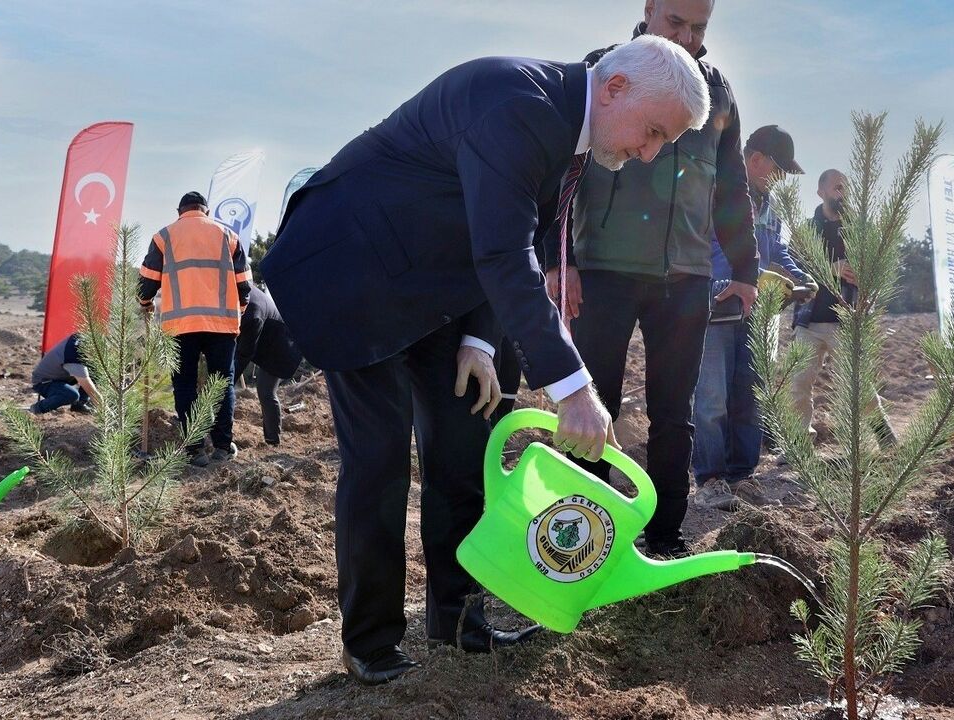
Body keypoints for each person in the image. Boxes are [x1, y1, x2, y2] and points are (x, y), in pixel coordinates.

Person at [260, 37, 710, 684]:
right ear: (615, 89)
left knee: (462, 446)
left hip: (437, 287)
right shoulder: (516, 103)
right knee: (379, 461)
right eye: (655, 131)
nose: (649, 153)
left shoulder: (569, 135)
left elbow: (511, 237)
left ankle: (457, 619)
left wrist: (479, 341)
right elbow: (504, 257)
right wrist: (573, 389)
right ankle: (372, 642)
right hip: (353, 272)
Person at [544, 0, 760, 557]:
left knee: (673, 414)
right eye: (676, 23)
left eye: (699, 27)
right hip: (602, 273)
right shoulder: (604, 69)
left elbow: (731, 187)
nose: (687, 37)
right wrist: (559, 260)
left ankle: (664, 536)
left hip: (685, 279)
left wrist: (744, 270)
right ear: (649, 8)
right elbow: (561, 172)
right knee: (594, 405)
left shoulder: (719, 93)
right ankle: (578, 539)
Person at [692, 125, 816, 511]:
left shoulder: (769, 207)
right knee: (712, 398)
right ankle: (710, 480)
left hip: (755, 311)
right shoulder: (718, 191)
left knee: (751, 394)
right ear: (756, 159)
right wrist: (739, 278)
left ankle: (742, 475)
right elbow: (704, 245)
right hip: (715, 307)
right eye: (778, 169)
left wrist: (799, 275)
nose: (781, 179)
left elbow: (777, 247)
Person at [138, 191, 251, 467]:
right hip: (221, 325)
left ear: (179, 212)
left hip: (180, 326)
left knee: (185, 385)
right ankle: (222, 447)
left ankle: (195, 450)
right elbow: (244, 283)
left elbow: (147, 282)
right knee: (221, 383)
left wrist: (145, 303)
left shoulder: (164, 237)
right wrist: (240, 310)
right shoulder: (228, 236)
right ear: (206, 211)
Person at [788, 169, 896, 445]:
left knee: (857, 384)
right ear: (821, 192)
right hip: (809, 320)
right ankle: (799, 445)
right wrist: (830, 268)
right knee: (798, 384)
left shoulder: (862, 230)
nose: (843, 193)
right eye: (837, 187)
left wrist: (866, 276)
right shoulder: (805, 230)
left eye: (846, 187)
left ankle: (885, 439)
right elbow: (793, 268)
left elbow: (880, 266)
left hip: (847, 320)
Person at [235, 286, 303, 446]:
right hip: (268, 344)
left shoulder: (253, 311)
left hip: (282, 347)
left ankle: (273, 440)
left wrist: (228, 380)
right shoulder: (243, 291)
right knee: (265, 391)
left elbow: (244, 354)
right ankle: (272, 438)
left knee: (266, 391)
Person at [29, 333, 100, 414]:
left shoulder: (80, 338)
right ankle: (38, 408)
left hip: (61, 377)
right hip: (44, 383)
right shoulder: (73, 356)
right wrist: (103, 407)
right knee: (71, 395)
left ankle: (80, 405)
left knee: (95, 369)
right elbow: (87, 385)